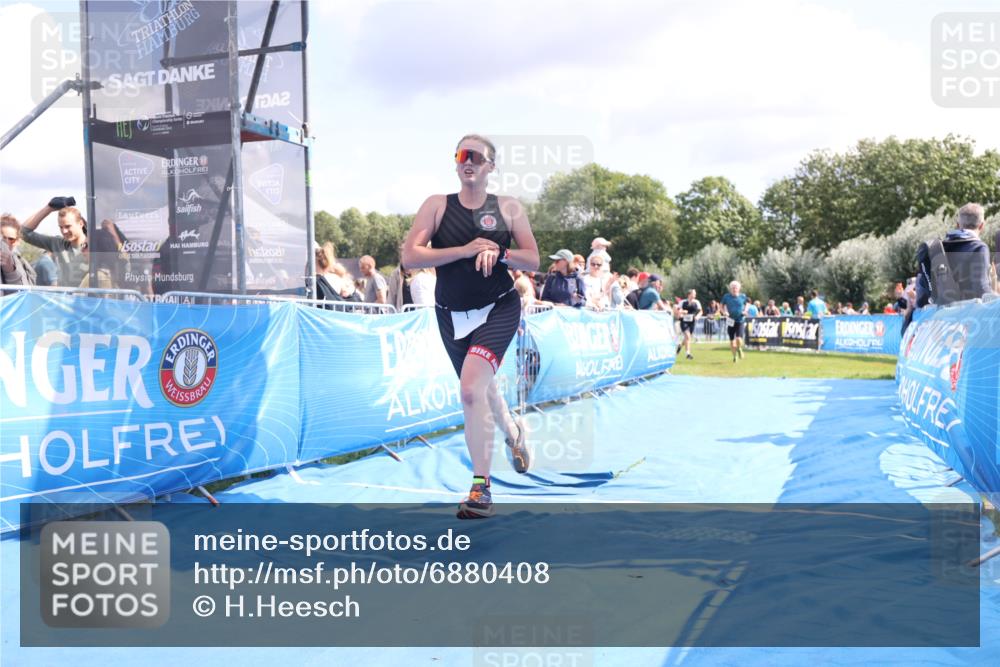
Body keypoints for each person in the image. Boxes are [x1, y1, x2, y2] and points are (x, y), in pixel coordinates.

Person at [401, 133, 540, 519]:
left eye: (476, 156)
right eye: (461, 154)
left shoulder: (509, 208)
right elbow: (410, 256)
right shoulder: (437, 206)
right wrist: (464, 250)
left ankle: (481, 489)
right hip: (450, 313)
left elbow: (533, 259)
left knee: (469, 389)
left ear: (490, 167)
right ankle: (514, 435)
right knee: (483, 390)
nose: (468, 161)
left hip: (498, 307)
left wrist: (501, 252)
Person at [915, 202, 995, 307]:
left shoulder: (940, 248)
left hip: (941, 315)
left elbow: (924, 286)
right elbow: (981, 287)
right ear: (982, 225)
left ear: (958, 225)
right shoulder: (979, 247)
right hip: (968, 315)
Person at [19, 197, 88, 287]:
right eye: (61, 227)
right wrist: (48, 208)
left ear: (81, 223)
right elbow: (23, 233)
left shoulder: (95, 246)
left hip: (88, 299)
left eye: (68, 226)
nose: (64, 231)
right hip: (65, 299)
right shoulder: (58, 244)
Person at [0, 214, 35, 286]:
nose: (5, 243)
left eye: (11, 239)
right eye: (2, 238)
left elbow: (22, 294)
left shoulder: (21, 264)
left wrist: (10, 270)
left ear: (17, 241)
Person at [721, 280, 749, 362]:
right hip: (730, 321)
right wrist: (724, 312)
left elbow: (747, 304)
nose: (734, 289)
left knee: (738, 339)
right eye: (733, 288)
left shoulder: (743, 296)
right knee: (732, 341)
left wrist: (745, 311)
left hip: (740, 320)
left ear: (739, 288)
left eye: (736, 288)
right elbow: (721, 306)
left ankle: (739, 348)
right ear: (730, 289)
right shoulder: (726, 296)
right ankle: (734, 356)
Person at [676, 289, 702, 359]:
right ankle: (688, 354)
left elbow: (701, 311)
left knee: (687, 338)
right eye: (694, 294)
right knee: (687, 336)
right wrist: (682, 312)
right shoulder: (682, 302)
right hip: (684, 322)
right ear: (689, 294)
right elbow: (677, 311)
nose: (695, 295)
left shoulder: (697, 302)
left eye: (695, 294)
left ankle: (680, 346)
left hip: (692, 322)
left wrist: (697, 316)